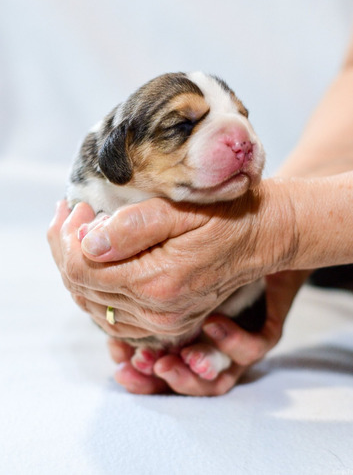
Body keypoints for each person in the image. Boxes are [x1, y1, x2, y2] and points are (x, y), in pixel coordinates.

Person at [48, 36, 353, 396]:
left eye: (241, 116)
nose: (241, 138)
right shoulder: (96, 169)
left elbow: (281, 225)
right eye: (183, 125)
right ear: (120, 150)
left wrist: (286, 228)